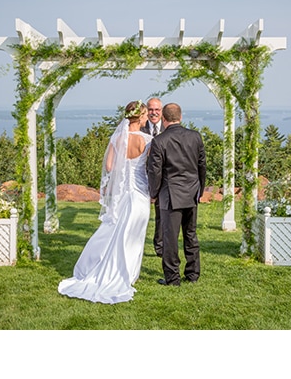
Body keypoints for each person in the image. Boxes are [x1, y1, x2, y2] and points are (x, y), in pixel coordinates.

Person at [58, 100, 153, 304]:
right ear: (141, 116)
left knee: (114, 230)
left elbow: (109, 167)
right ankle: (127, 275)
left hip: (120, 195)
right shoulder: (147, 140)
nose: (146, 118)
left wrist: (121, 172)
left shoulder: (117, 138)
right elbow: (151, 169)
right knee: (133, 235)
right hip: (139, 193)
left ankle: (99, 268)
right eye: (145, 115)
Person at [147, 102, 206, 286]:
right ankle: (193, 274)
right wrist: (200, 190)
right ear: (180, 117)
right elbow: (202, 166)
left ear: (164, 119)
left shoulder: (159, 141)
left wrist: (153, 193)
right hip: (191, 193)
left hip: (170, 196)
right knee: (191, 235)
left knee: (170, 238)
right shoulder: (195, 137)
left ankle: (172, 278)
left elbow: (155, 171)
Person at [140, 97, 164, 257]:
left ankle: (160, 246)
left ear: (161, 112)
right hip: (141, 177)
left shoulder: (169, 129)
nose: (153, 113)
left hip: (163, 179)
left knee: (162, 215)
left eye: (157, 110)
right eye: (150, 109)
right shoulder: (139, 128)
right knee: (139, 214)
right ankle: (135, 246)